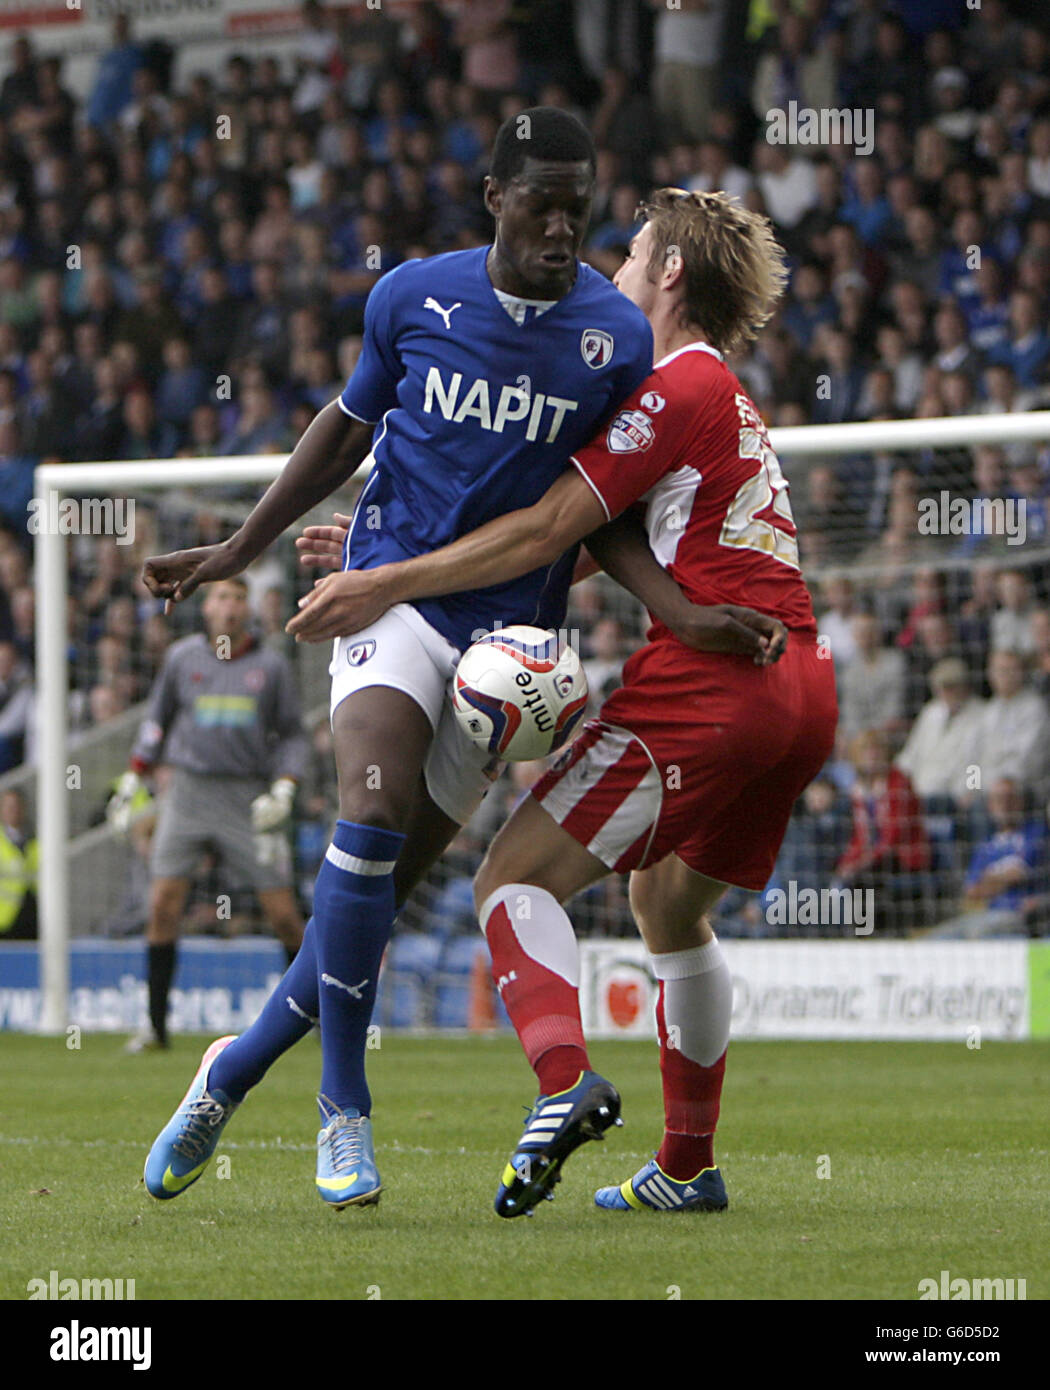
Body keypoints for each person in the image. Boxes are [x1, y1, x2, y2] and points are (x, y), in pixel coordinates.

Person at [138, 112, 784, 1211]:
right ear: (495, 195)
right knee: (368, 817)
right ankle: (345, 1111)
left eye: (581, 204)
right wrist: (235, 551)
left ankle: (229, 1069)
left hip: (509, 647)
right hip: (391, 598)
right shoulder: (413, 298)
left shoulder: (613, 340)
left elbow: (601, 515)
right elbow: (343, 428)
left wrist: (682, 609)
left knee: (372, 904)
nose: (563, 223)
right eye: (542, 200)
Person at [286, 189, 837, 1217]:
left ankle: (560, 1082)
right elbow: (592, 545)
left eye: (632, 254)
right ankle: (686, 1166)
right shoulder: (724, 392)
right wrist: (397, 552)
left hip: (713, 682)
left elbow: (545, 528)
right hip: (803, 684)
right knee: (666, 908)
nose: (614, 271)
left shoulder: (667, 387)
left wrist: (385, 582)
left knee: (512, 875)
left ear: (670, 273)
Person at [107, 577, 307, 1051]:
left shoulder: (271, 665)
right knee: (162, 905)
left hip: (246, 797)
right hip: (189, 793)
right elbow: (158, 720)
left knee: (283, 914)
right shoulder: (182, 659)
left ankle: (312, 1021)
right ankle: (156, 1027)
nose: (230, 607)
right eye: (221, 597)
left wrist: (284, 786)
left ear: (248, 609)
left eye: (239, 598)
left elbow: (294, 735)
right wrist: (136, 775)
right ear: (208, 608)